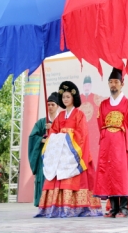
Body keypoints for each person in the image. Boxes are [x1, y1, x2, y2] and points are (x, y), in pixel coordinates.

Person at [35, 81, 102, 218]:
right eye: (64, 97)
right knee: (56, 176)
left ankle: (77, 208)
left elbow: (82, 135)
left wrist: (66, 138)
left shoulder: (79, 115)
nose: (65, 99)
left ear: (73, 98)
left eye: (68, 96)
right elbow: (53, 133)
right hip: (61, 154)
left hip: (74, 153)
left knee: (76, 178)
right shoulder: (59, 116)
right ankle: (56, 207)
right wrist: (55, 138)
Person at [93, 68, 128, 218]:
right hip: (107, 144)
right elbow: (100, 123)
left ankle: (123, 208)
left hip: (121, 143)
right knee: (109, 173)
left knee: (121, 174)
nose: (113, 85)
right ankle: (113, 208)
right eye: (111, 82)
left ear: (122, 84)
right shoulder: (103, 104)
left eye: (116, 82)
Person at [28, 92, 59, 207]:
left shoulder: (60, 120)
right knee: (43, 178)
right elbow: (32, 137)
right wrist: (41, 139)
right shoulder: (41, 122)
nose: (50, 107)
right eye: (48, 105)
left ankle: (55, 202)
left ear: (58, 106)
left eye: (52, 105)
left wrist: (54, 129)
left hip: (57, 156)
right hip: (44, 156)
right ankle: (43, 203)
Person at [79, 76, 105, 168]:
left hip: (94, 134)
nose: (86, 87)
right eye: (85, 85)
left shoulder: (96, 98)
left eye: (88, 85)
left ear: (91, 86)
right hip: (81, 134)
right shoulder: (78, 99)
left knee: (94, 158)